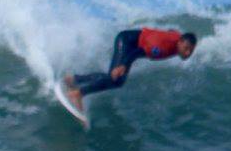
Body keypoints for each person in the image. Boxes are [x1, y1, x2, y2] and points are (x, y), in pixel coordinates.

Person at [64, 27, 197, 105]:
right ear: (180, 42)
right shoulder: (160, 49)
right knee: (114, 79)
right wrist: (123, 66)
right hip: (126, 41)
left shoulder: (179, 39)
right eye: (186, 48)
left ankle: (73, 80)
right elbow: (136, 53)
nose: (187, 53)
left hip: (135, 42)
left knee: (115, 79)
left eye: (191, 50)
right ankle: (78, 93)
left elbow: (172, 31)